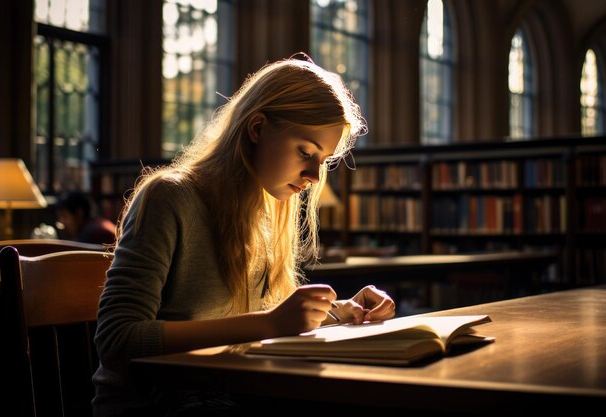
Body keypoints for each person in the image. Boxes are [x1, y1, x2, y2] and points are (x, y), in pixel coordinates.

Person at [92, 54, 396, 417]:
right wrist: (270, 323)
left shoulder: (268, 210)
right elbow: (117, 340)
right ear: (257, 128)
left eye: (324, 160)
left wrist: (339, 312)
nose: (314, 175)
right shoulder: (169, 197)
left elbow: (258, 321)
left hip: (227, 392)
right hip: (153, 405)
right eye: (305, 151)